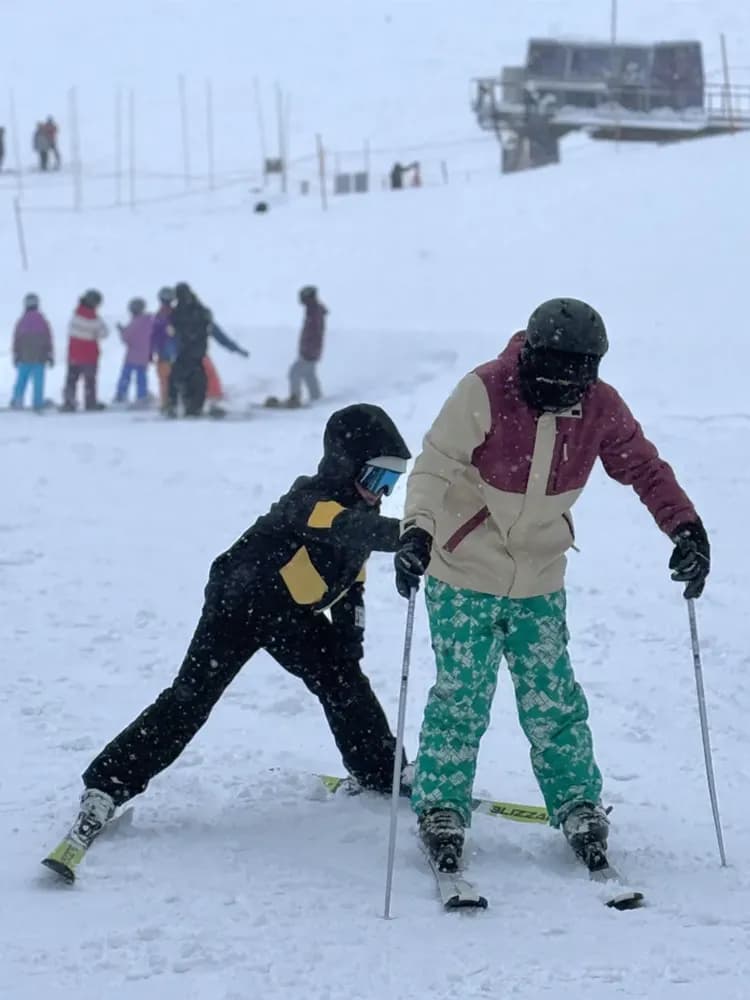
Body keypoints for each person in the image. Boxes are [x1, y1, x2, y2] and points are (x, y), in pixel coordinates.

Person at [394, 297, 710, 874]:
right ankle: (441, 806)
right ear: (530, 357)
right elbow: (435, 466)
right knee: (461, 698)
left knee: (553, 700)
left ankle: (578, 804)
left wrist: (684, 527)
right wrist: (417, 530)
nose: (562, 388)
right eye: (550, 375)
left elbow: (643, 467)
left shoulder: (599, 405)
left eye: (576, 377)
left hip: (539, 578)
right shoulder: (484, 390)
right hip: (464, 572)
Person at [55, 404, 413, 866]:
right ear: (346, 465)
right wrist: (411, 534)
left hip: (288, 613)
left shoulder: (361, 511)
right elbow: (344, 527)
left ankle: (380, 772)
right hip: (238, 603)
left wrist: (350, 636)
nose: (381, 492)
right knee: (190, 699)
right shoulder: (311, 502)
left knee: (343, 678)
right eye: (376, 477)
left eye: (392, 481)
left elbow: (352, 579)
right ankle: (107, 784)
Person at [166, 282, 212, 418]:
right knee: (196, 380)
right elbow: (206, 324)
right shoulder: (199, 309)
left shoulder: (179, 311)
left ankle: (177, 405)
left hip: (186, 351)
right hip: (196, 351)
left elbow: (174, 329)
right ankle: (193, 406)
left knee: (178, 378)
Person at [61, 290, 109, 412]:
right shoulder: (95, 319)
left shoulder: (75, 315)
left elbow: (71, 331)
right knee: (90, 381)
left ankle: (69, 402)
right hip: (90, 355)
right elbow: (104, 333)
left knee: (71, 379)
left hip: (74, 353)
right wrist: (92, 335)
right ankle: (90, 402)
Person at [285, 285, 327, 408]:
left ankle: (295, 398)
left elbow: (315, 333)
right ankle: (316, 396)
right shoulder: (313, 310)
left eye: (302, 297)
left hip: (309, 351)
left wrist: (308, 350)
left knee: (294, 372)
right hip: (311, 350)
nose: (300, 300)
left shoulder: (314, 311)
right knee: (309, 374)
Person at [10, 293, 53, 412]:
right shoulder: (42, 321)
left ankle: (18, 400)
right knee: (38, 381)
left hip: (24, 356)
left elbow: (16, 340)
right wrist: (49, 354)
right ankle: (37, 402)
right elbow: (48, 339)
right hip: (40, 357)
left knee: (21, 380)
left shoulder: (21, 321)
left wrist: (16, 354)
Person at [113, 298, 154, 406]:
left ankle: (121, 395)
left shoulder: (134, 323)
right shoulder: (149, 321)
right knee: (141, 377)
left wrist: (122, 330)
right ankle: (142, 395)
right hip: (144, 355)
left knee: (126, 376)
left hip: (132, 355)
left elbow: (126, 338)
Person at [203, 319, 250, 405]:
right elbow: (221, 338)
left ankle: (212, 399)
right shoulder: (201, 318)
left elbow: (221, 338)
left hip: (197, 356)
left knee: (212, 385)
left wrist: (237, 349)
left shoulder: (203, 319)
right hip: (187, 357)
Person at [151, 287, 177, 412]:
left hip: (163, 353)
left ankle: (166, 402)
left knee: (164, 379)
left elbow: (153, 336)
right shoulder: (177, 315)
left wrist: (151, 351)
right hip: (176, 352)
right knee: (174, 379)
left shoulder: (158, 316)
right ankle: (174, 401)